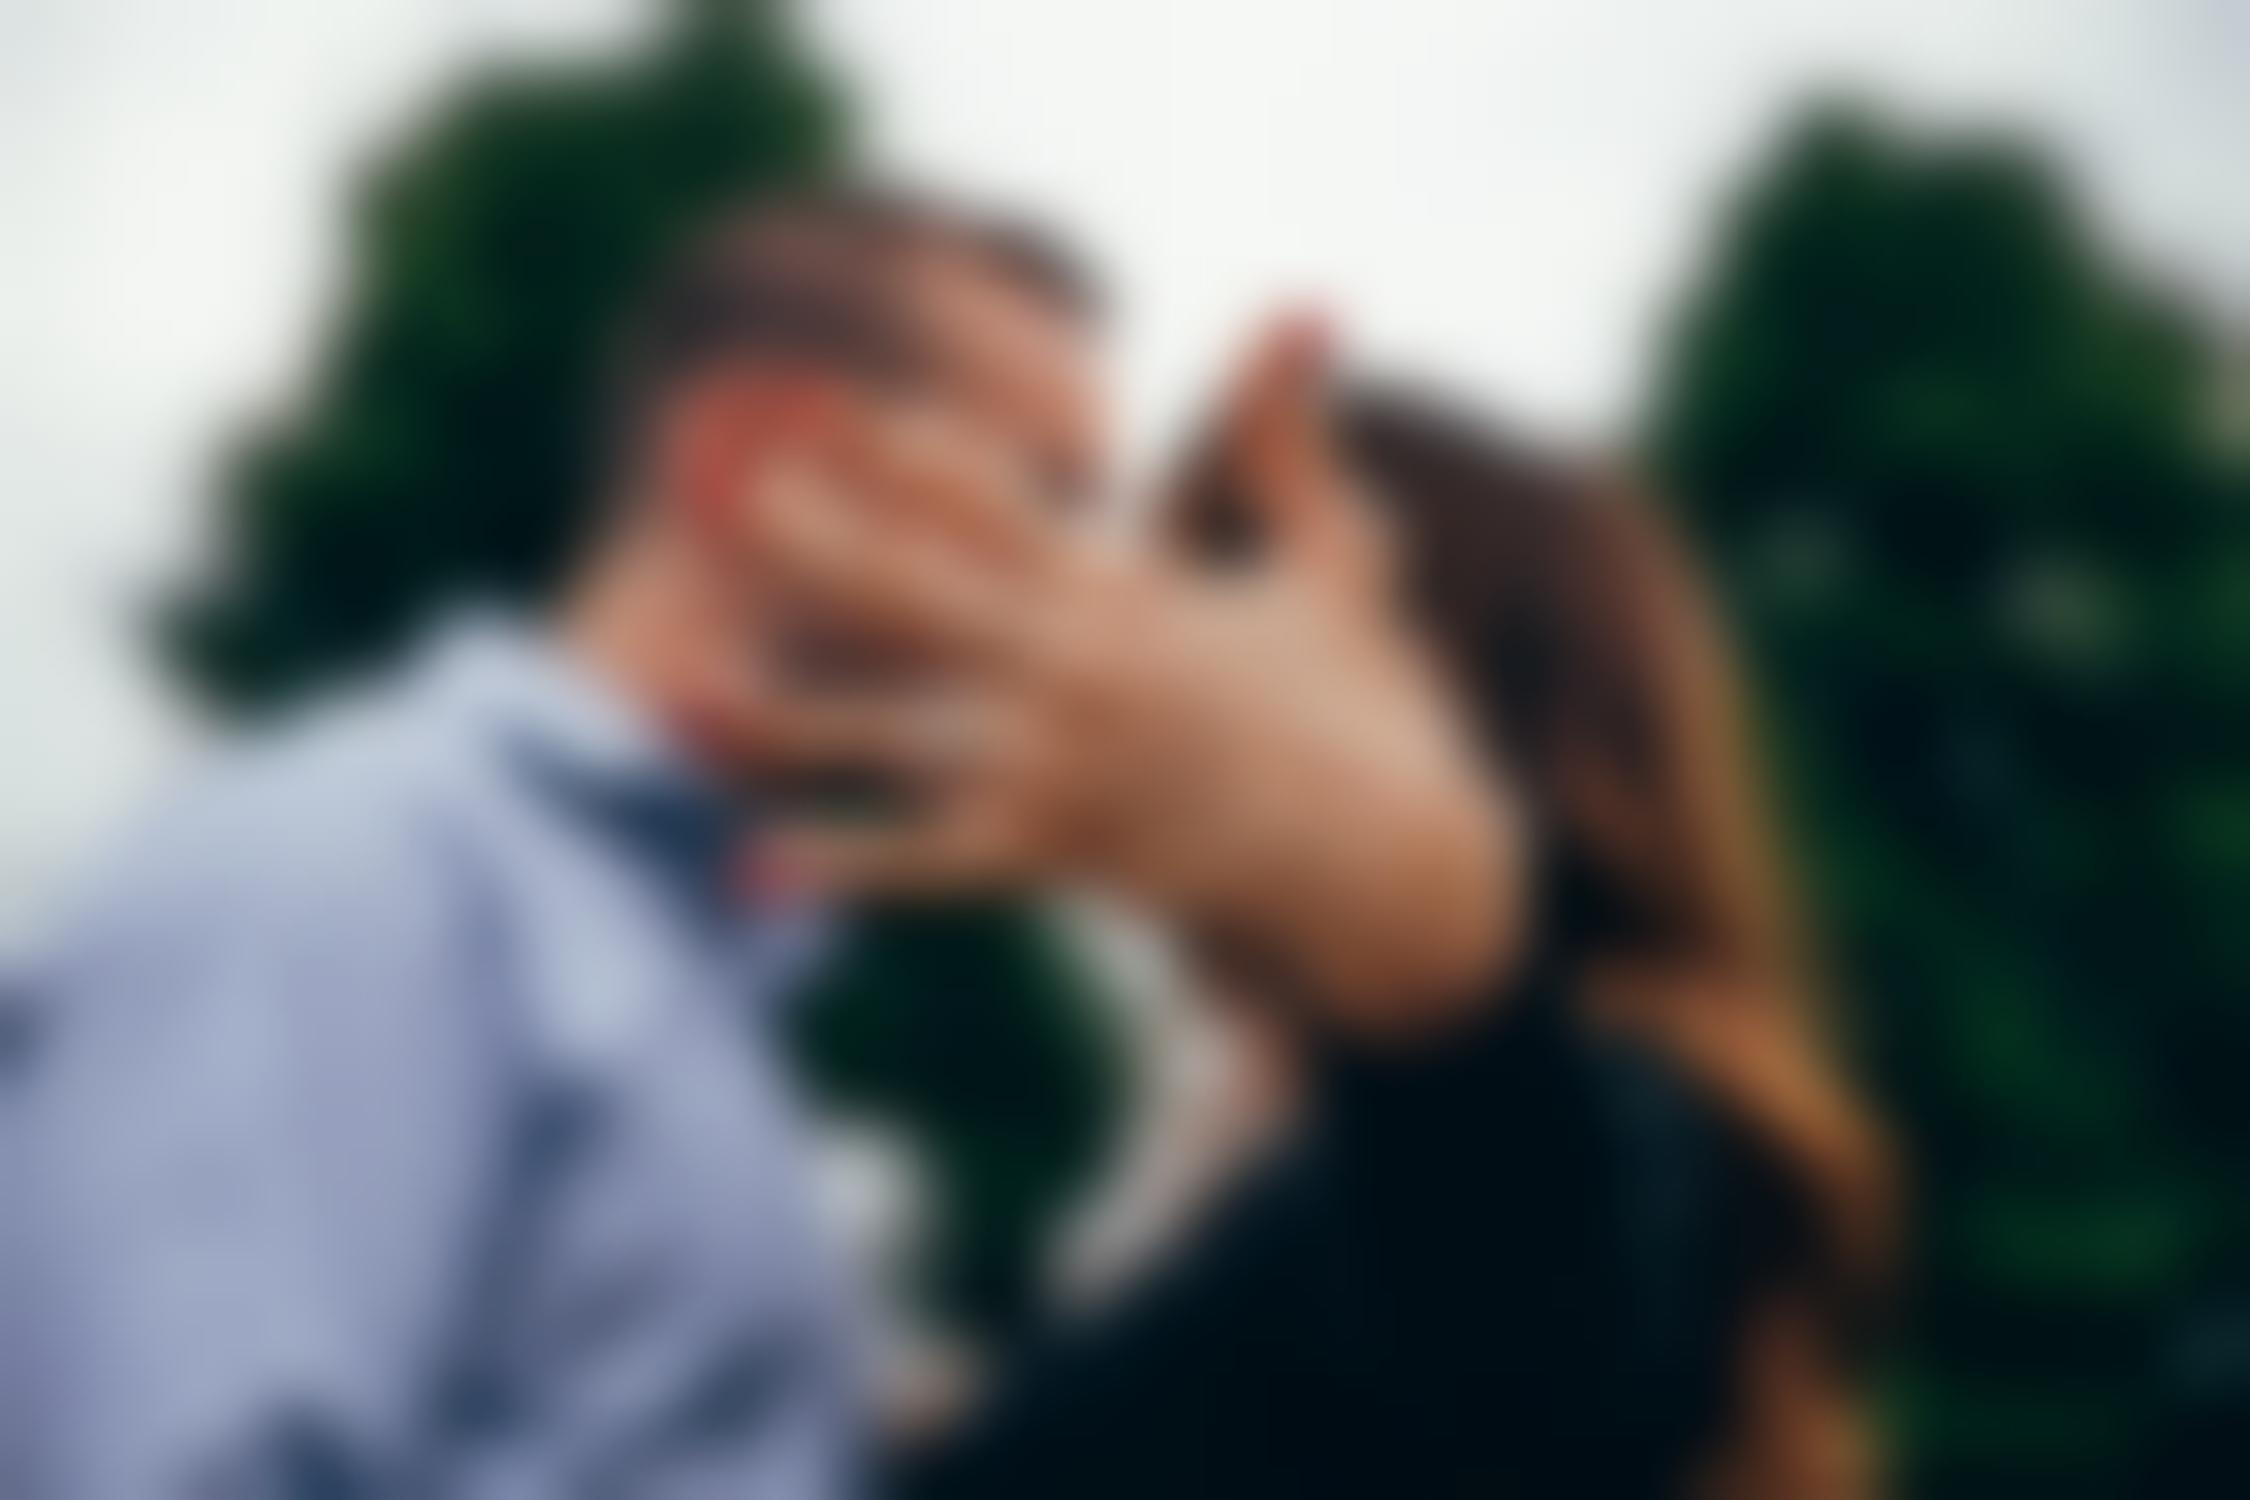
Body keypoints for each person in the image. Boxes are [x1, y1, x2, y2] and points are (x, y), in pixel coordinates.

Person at [5, 193, 1521, 1497]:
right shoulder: (341, 868)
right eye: (1039, 496)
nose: (1084, 591)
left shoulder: (678, 940)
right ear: (750, 462)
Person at [727, 361, 1891, 1497]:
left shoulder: (1623, 1115)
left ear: (1433, 700)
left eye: (1203, 615)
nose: (1135, 684)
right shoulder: (1253, 1151)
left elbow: (1522, 1343)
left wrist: (1435, 967)